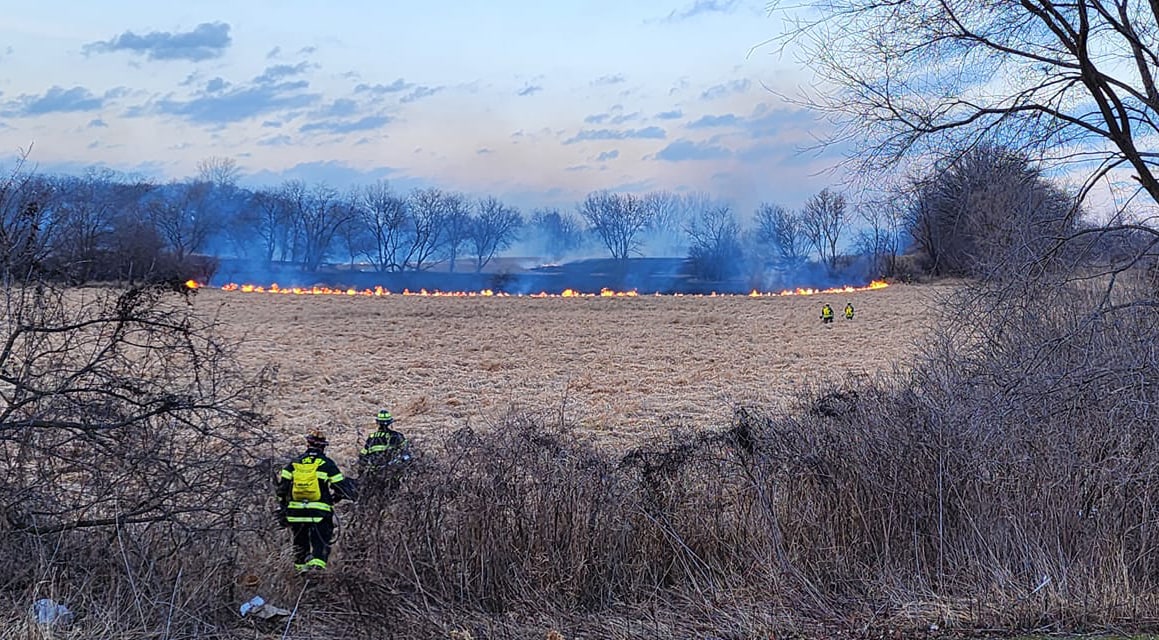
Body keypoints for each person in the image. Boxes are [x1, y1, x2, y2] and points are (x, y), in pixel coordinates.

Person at [276, 431, 357, 572]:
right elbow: (341, 487)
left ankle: (300, 573)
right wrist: (337, 497)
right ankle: (317, 572)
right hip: (319, 512)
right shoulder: (327, 464)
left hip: (295, 512)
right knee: (320, 542)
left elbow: (282, 490)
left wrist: (283, 509)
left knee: (299, 543)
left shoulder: (294, 463)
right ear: (323, 447)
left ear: (308, 444)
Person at [358, 409, 410, 492]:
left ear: (378, 423)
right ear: (390, 422)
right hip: (390, 473)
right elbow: (407, 454)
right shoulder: (397, 436)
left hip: (373, 473)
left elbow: (362, 455)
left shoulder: (372, 437)